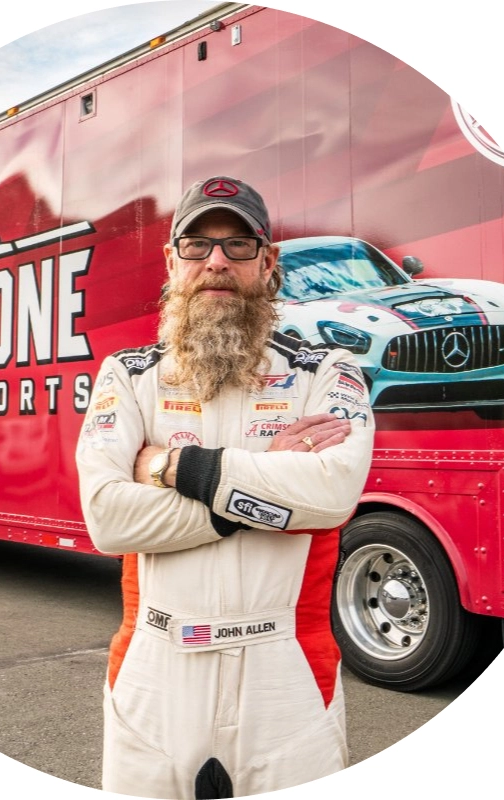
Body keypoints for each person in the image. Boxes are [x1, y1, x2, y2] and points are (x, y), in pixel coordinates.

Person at [76, 175, 375, 799]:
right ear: (171, 262)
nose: (216, 260)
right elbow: (108, 519)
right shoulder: (129, 375)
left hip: (285, 672)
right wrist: (263, 485)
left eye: (239, 245)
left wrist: (172, 469)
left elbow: (331, 495)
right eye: (197, 244)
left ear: (268, 264)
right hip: (154, 665)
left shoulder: (327, 371)